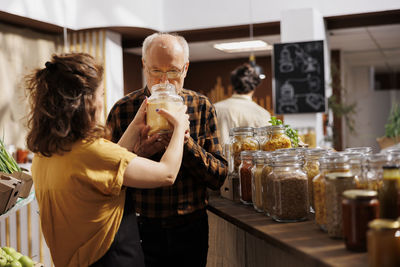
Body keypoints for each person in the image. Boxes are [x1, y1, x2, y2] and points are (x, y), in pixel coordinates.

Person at [25, 53, 189, 267]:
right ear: (86, 102)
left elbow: (105, 167)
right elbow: (166, 173)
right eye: (100, 94)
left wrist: (136, 123)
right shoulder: (92, 152)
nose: (102, 101)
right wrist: (179, 127)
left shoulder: (45, 155)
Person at [107, 32, 228, 267]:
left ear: (185, 69)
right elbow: (106, 179)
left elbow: (218, 177)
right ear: (144, 66)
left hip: (190, 227)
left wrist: (185, 143)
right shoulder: (124, 109)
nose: (164, 82)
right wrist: (138, 153)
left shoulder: (201, 106)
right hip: (137, 227)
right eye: (155, 71)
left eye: (173, 72)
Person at [214, 63, 271, 146]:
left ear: (233, 84)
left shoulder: (214, 108)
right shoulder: (263, 114)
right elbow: (265, 146)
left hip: (214, 158)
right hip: (248, 159)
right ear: (254, 86)